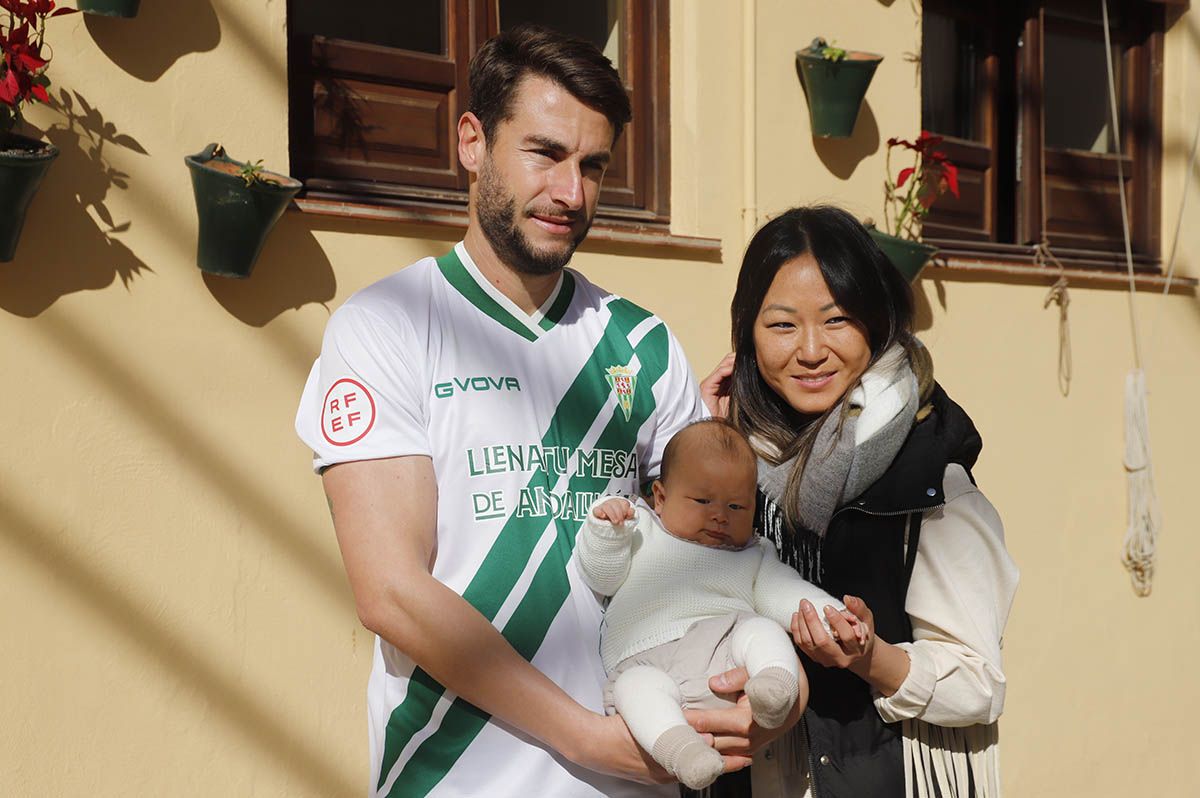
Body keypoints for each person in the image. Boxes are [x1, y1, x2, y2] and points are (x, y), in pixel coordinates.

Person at [295, 24, 772, 798]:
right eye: (545, 153)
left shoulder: (643, 344)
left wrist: (769, 700)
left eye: (592, 166)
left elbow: (707, 559)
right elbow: (390, 591)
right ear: (472, 142)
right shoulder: (387, 325)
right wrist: (588, 739)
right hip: (451, 780)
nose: (571, 193)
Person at [699, 206, 1019, 798]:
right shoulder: (733, 457)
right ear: (746, 334)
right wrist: (702, 448)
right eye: (782, 326)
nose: (812, 350)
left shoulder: (929, 478)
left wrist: (870, 657)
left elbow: (979, 685)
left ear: (877, 323)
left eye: (838, 319)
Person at [576, 420, 863, 790]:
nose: (719, 515)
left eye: (736, 505)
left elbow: (787, 594)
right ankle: (683, 753)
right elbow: (602, 576)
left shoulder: (752, 554)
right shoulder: (641, 529)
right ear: (660, 497)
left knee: (763, 630)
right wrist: (606, 530)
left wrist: (833, 617)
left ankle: (774, 687)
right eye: (703, 501)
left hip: (725, 657)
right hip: (646, 661)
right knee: (634, 687)